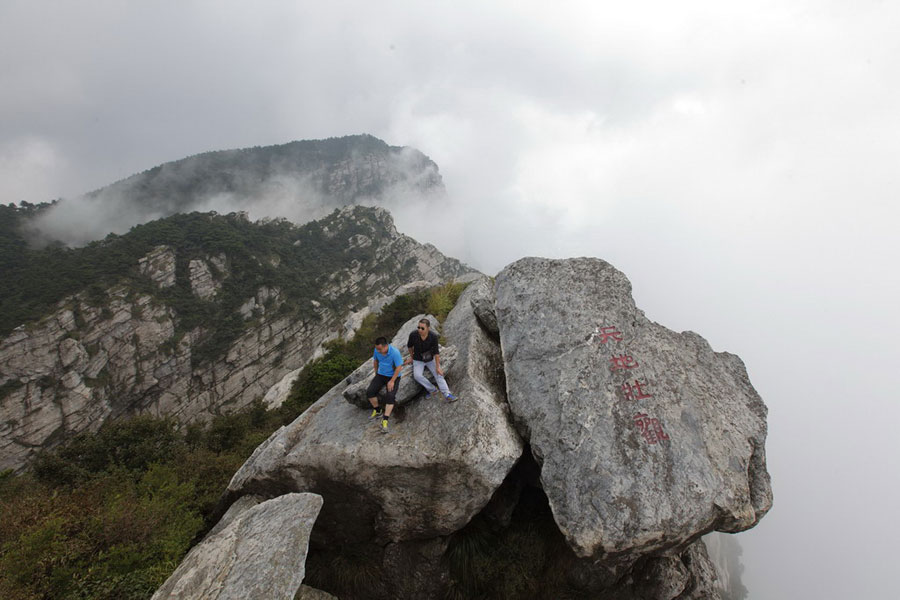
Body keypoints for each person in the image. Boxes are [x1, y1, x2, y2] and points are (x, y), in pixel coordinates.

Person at [405, 318, 458, 402]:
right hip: (418, 359)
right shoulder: (413, 335)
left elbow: (436, 352)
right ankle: (432, 389)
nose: (420, 330)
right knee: (417, 376)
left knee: (439, 374)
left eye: (422, 328)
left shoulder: (433, 336)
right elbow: (410, 346)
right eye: (418, 327)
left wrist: (438, 367)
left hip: (430, 358)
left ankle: (447, 394)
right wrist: (412, 357)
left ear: (428, 328)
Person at [367, 336, 404, 434]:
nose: (378, 351)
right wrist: (376, 374)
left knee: (390, 396)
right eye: (377, 349)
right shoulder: (377, 350)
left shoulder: (395, 353)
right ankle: (378, 410)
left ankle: (385, 419)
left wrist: (392, 381)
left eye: (379, 349)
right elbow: (375, 361)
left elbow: (399, 367)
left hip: (393, 376)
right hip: (381, 374)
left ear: (386, 346)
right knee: (370, 392)